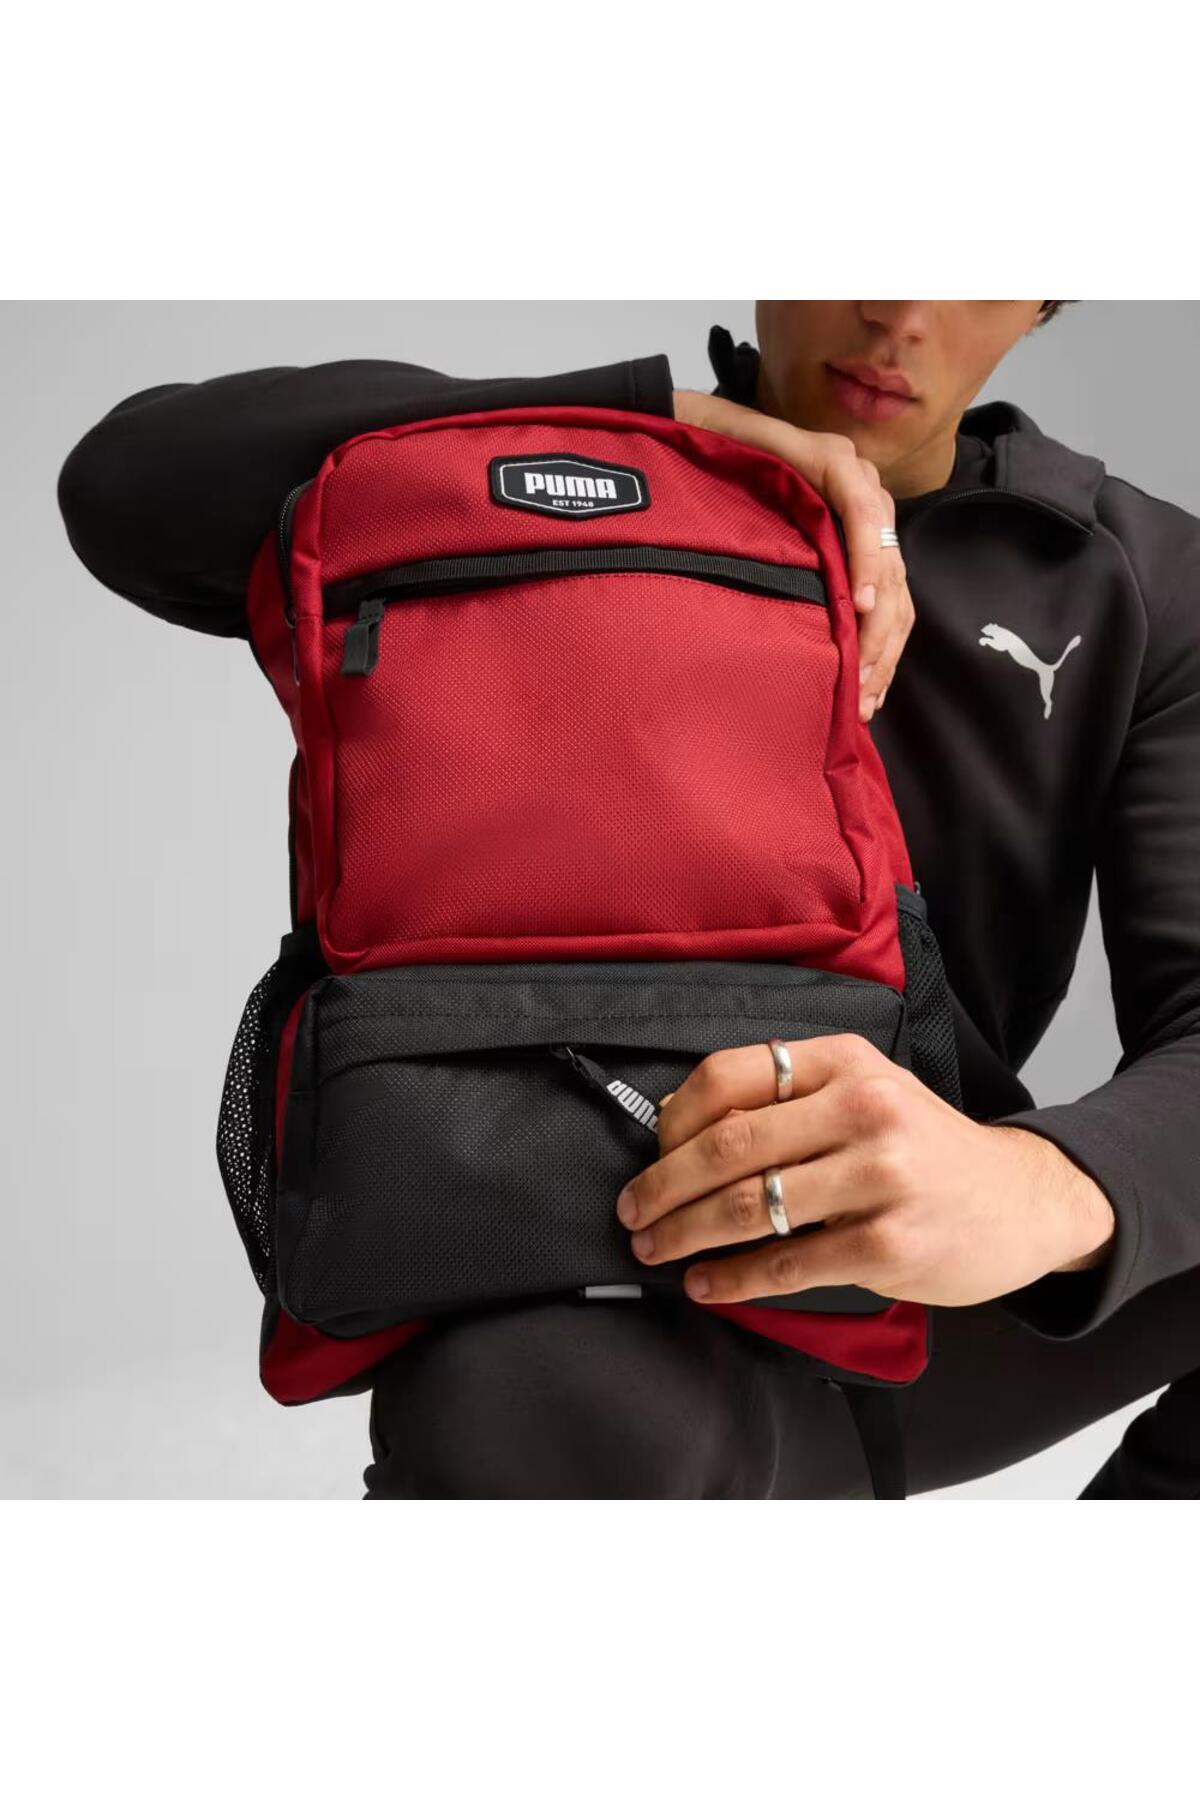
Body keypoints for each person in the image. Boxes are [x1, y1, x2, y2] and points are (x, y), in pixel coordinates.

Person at [58, 303, 1200, 1498]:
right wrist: (669, 422)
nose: (897, 310)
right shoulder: (533, 475)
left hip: (919, 1284)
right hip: (556, 1272)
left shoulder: (1133, 581)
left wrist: (1036, 1188)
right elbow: (128, 487)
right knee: (534, 1407)